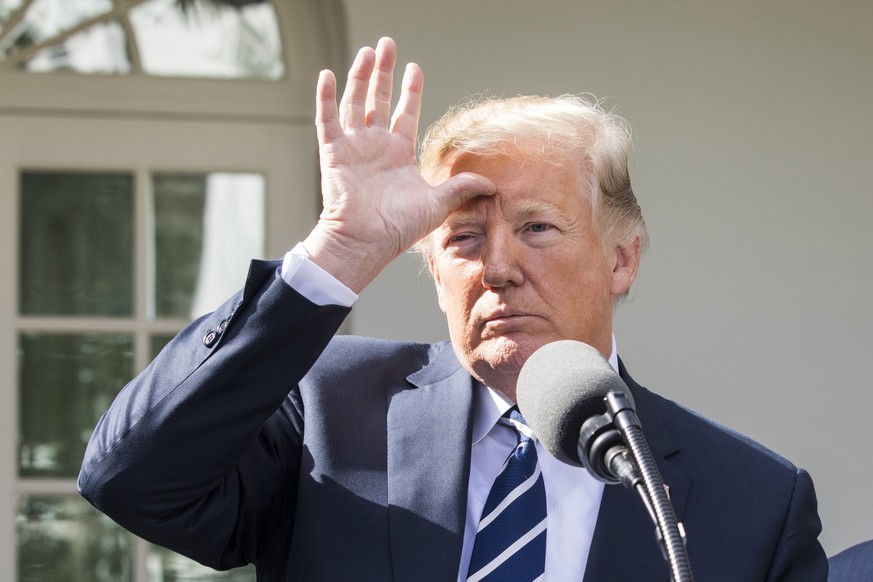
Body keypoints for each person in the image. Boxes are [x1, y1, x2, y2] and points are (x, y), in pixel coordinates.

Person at [78, 37, 827, 581]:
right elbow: (132, 479)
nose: (497, 266)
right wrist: (335, 252)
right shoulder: (327, 408)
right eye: (464, 238)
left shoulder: (752, 500)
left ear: (621, 258)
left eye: (537, 228)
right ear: (432, 265)